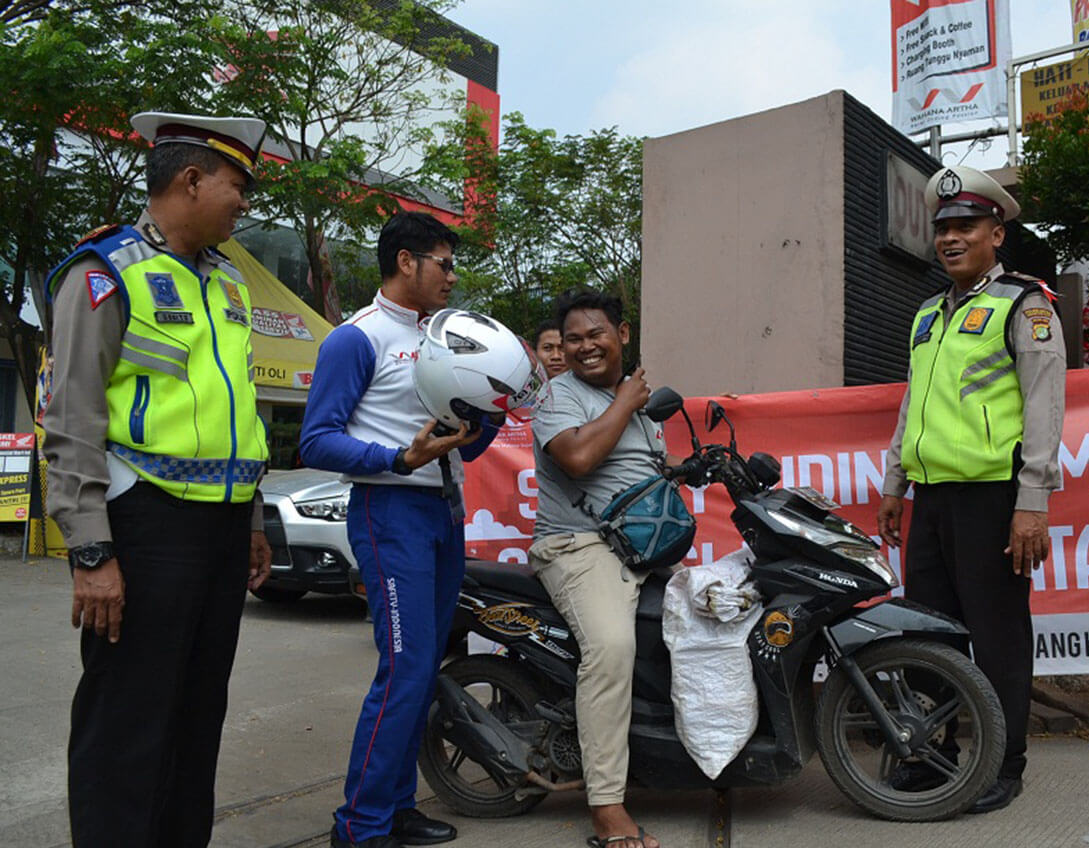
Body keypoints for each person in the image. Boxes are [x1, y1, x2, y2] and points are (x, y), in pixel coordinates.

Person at [42, 111, 274, 847]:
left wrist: (254, 518)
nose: (244, 203)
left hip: (222, 525)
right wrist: (90, 551)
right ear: (191, 179)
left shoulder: (230, 284)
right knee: (128, 718)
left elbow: (239, 410)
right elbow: (72, 419)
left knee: (197, 713)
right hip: (144, 524)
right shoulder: (104, 273)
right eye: (237, 186)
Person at [300, 211, 499, 848]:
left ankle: (396, 806)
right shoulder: (356, 339)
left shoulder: (446, 336)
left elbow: (464, 446)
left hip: (443, 512)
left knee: (424, 665)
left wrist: (495, 404)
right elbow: (316, 441)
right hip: (390, 514)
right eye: (444, 262)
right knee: (405, 668)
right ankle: (359, 827)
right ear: (407, 261)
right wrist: (395, 459)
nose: (452, 276)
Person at [876, 165, 1067, 814]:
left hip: (994, 500)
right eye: (943, 229)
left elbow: (1044, 409)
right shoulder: (927, 313)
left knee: (999, 636)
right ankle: (937, 756)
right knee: (930, 636)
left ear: (997, 233)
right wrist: (894, 483)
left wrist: (1032, 504)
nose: (951, 238)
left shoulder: (1025, 304)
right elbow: (912, 405)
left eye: (966, 226)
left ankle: (1002, 767)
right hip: (930, 500)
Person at [529, 289, 662, 848]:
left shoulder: (634, 408)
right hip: (578, 547)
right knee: (611, 649)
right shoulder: (561, 396)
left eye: (596, 335)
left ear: (622, 335)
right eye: (572, 339)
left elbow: (637, 469)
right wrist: (627, 402)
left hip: (637, 549)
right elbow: (579, 458)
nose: (584, 347)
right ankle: (607, 805)